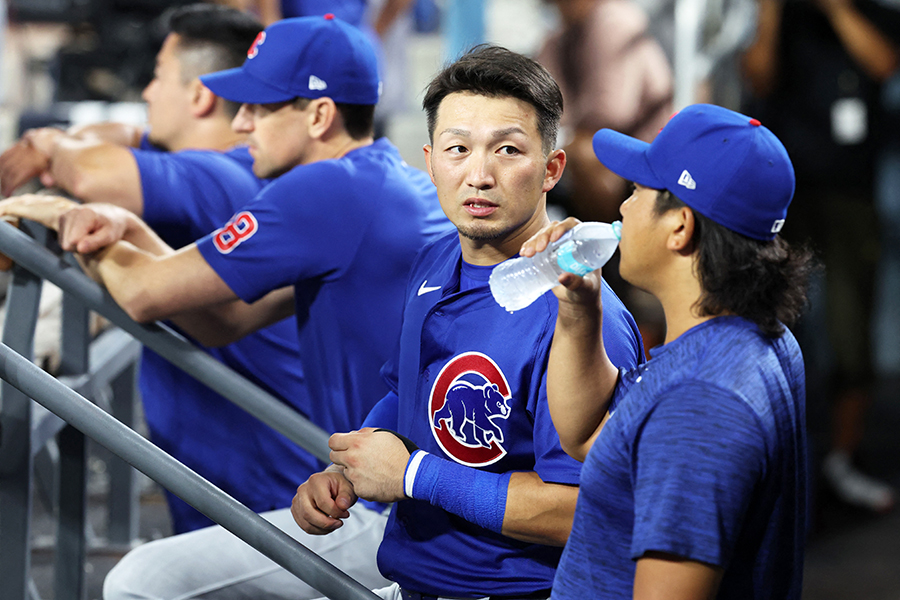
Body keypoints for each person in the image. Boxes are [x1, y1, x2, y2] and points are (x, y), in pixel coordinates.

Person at [0, 15, 450, 599]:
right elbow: (228, 321)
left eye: (259, 109)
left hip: (396, 507)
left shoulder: (326, 189)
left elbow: (143, 293)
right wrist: (126, 227)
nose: (240, 124)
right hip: (387, 484)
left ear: (318, 115)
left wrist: (66, 220)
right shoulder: (383, 182)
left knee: (142, 581)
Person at [291, 45, 645, 600]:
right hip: (413, 581)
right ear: (431, 161)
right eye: (458, 149)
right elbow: (412, 393)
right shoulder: (435, 260)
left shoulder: (580, 317)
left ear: (551, 169)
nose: (478, 175)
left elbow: (586, 511)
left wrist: (411, 476)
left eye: (507, 150)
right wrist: (355, 468)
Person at [0, 3, 316, 534]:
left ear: (200, 95)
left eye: (158, 77)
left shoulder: (216, 176)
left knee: (139, 583)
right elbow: (123, 136)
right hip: (246, 475)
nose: (146, 93)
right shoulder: (230, 163)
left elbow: (94, 176)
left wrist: (50, 144)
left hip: (266, 495)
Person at [522, 104, 812, 598]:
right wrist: (579, 307)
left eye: (637, 192)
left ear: (680, 226)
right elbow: (587, 436)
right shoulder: (753, 340)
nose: (622, 208)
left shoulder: (702, 404)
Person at [742, 0, 900, 513]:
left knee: (851, 325)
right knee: (774, 318)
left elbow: (883, 64)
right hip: (787, 192)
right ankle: (784, 452)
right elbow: (758, 79)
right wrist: (769, 12)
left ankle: (843, 459)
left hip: (851, 191)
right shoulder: (784, 21)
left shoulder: (873, 14)